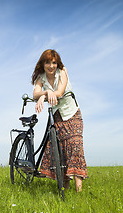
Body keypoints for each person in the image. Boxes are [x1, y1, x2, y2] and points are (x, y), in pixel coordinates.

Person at [31, 49, 87, 192]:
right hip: (57, 116)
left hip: (72, 113)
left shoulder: (62, 72)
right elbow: (35, 93)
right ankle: (65, 188)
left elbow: (60, 92)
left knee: (75, 146)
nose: (51, 66)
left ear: (58, 64)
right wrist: (45, 93)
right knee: (60, 150)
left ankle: (79, 192)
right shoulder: (41, 77)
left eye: (54, 62)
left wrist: (44, 96)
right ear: (43, 64)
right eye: (48, 62)